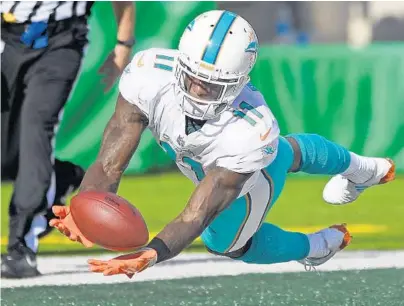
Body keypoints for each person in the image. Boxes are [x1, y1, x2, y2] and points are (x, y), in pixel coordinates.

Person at [50, 10, 396, 278]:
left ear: (238, 83)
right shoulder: (148, 73)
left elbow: (198, 212)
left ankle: (315, 246)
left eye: (211, 85)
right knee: (286, 152)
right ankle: (362, 168)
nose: (198, 90)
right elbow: (110, 164)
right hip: (219, 160)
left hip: (243, 174)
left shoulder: (250, 131)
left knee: (228, 244)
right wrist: (86, 207)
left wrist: (153, 253)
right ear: (179, 64)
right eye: (193, 78)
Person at [1, 1, 136, 278]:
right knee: (7, 155)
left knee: (37, 127)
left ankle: (21, 245)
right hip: (7, 35)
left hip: (61, 39)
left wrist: (123, 44)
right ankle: (59, 177)